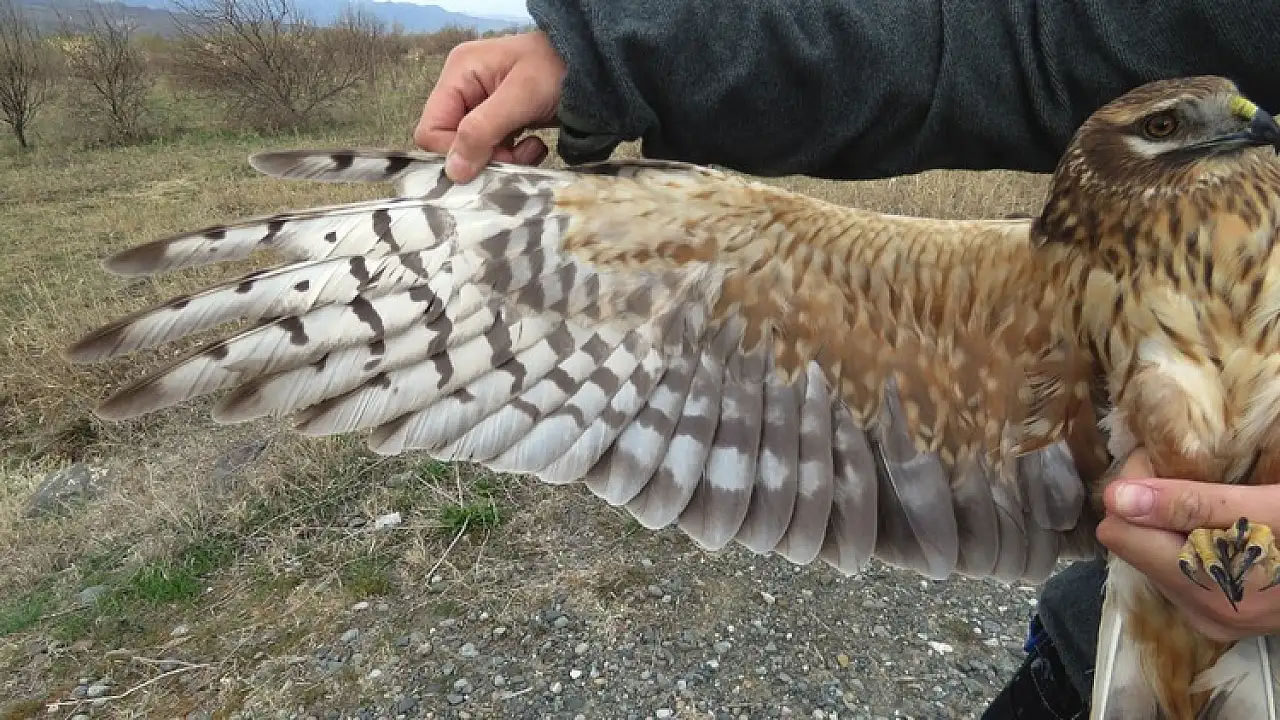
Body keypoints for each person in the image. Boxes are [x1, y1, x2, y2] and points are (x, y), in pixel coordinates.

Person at [412, 3, 1280, 715]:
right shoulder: (1067, 265)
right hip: (1112, 639)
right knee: (693, 230)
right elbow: (1011, 38)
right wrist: (608, 54)